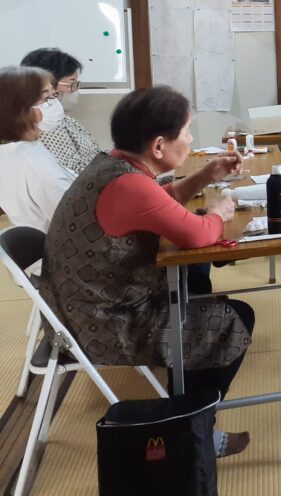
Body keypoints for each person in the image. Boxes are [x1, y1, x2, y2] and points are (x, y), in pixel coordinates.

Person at [39, 86, 254, 457]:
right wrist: (218, 214)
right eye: (186, 132)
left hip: (75, 311)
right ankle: (191, 430)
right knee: (235, 319)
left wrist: (205, 175)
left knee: (195, 280)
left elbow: (159, 202)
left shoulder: (110, 166)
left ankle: (185, 403)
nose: (190, 139)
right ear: (158, 146)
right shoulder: (130, 186)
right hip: (104, 323)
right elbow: (196, 234)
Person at [0, 66, 76, 231]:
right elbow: (77, 220)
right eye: (47, 97)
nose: (54, 104)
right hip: (67, 242)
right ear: (20, 111)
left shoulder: (13, 151)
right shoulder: (36, 166)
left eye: (54, 95)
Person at [20, 48, 101, 173]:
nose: (75, 90)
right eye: (71, 83)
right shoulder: (38, 129)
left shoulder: (68, 121)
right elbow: (69, 173)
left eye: (77, 84)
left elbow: (96, 155)